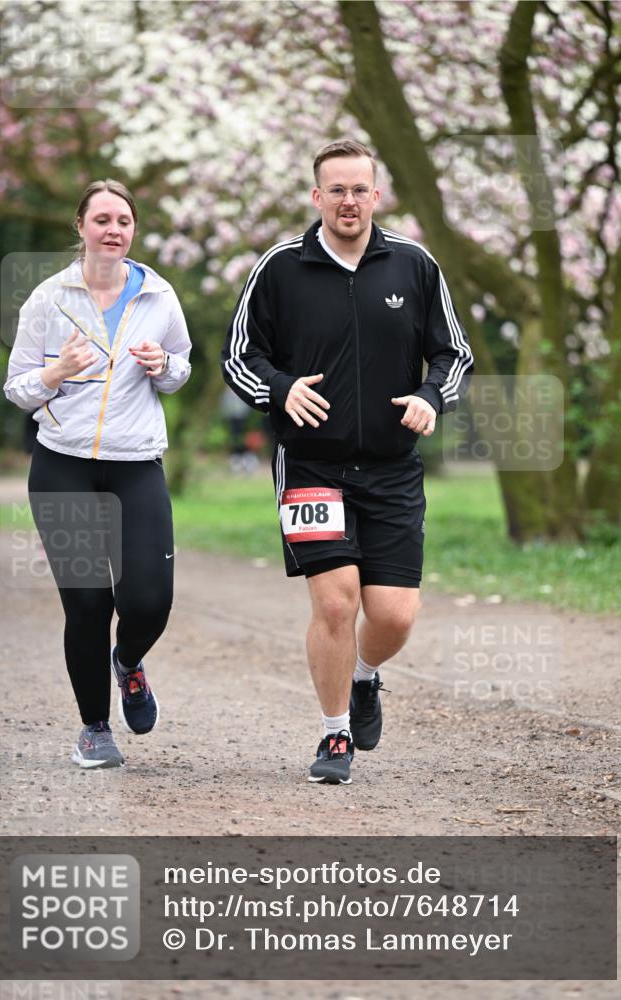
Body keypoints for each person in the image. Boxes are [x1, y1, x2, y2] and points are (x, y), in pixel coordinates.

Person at [221, 139, 473, 785]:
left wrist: (428, 397)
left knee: (392, 614)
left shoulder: (413, 265)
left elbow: (454, 355)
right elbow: (239, 356)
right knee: (335, 605)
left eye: (359, 188)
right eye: (336, 189)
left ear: (376, 194)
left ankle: (364, 676)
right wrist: (278, 391)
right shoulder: (279, 268)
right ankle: (335, 736)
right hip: (311, 464)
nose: (348, 200)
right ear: (316, 197)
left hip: (391, 467)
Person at [4, 179, 192, 769]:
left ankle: (128, 662)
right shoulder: (47, 299)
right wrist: (56, 371)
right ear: (81, 228)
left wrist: (165, 365)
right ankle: (94, 728)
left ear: (133, 231)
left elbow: (180, 368)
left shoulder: (159, 296)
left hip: (136, 466)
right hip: (63, 466)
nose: (114, 230)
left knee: (149, 600)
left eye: (124, 221)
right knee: (86, 603)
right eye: (102, 220)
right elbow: (18, 389)